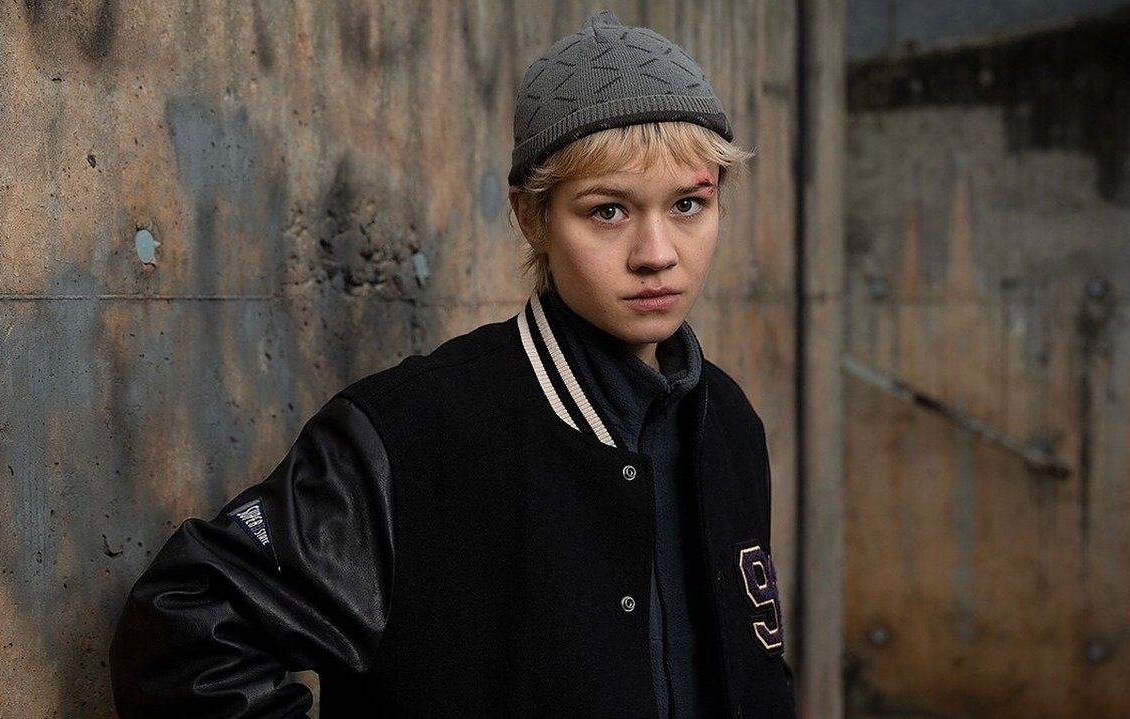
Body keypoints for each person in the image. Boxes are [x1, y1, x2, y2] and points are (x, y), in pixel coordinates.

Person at [110, 10, 796, 718]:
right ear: (531, 217)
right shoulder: (406, 437)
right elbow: (180, 632)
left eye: (688, 204)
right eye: (608, 212)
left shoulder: (728, 421)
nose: (657, 253)